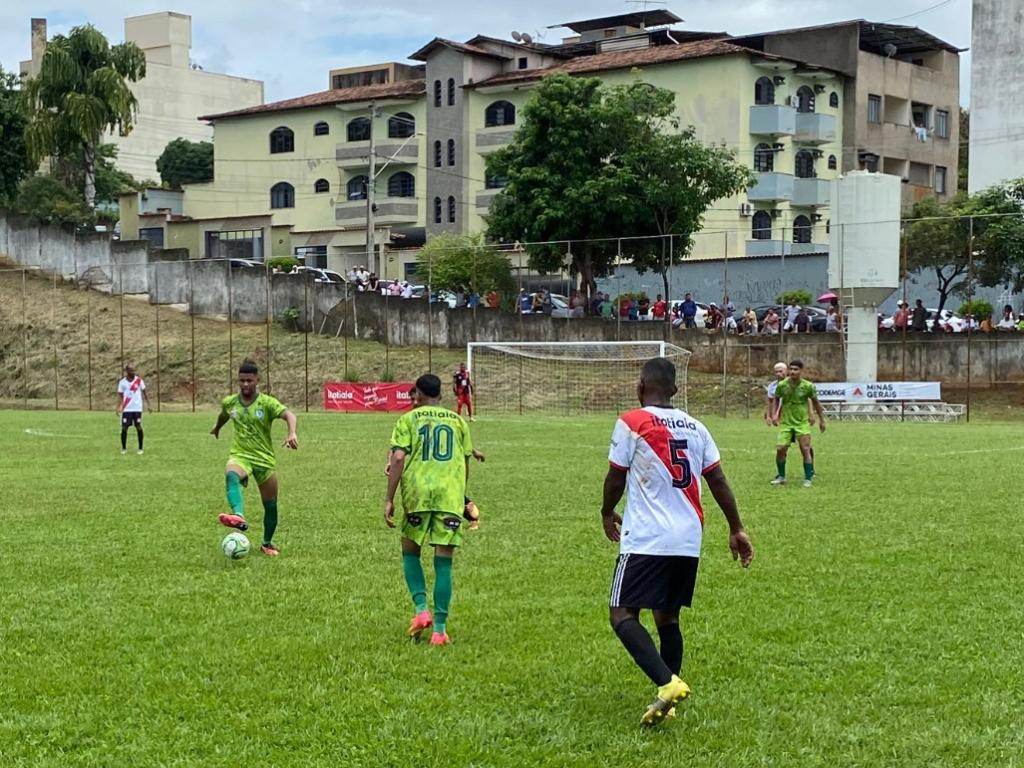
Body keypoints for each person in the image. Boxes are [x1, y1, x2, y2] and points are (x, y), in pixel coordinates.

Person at [602, 357, 754, 727]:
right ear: (674, 389)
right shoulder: (696, 427)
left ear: (640, 387)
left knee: (622, 613)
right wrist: (736, 528)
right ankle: (667, 702)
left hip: (647, 540)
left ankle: (667, 683)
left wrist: (606, 511)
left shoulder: (632, 421)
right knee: (667, 616)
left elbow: (616, 476)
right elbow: (717, 479)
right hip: (688, 539)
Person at [385, 374, 474, 646]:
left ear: (419, 395)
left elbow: (399, 457)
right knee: (443, 561)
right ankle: (439, 630)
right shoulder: (458, 422)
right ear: (441, 395)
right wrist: (462, 497)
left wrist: (389, 497)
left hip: (417, 495)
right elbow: (465, 461)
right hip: (449, 496)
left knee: (410, 552)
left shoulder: (409, 419)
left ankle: (422, 610)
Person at [211, 360, 298, 556]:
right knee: (231, 474)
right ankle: (238, 515)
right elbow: (224, 414)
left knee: (271, 506)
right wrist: (217, 427)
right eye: (241, 381)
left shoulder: (267, 403)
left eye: (249, 380)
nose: (245, 385)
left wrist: (292, 433)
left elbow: (289, 415)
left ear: (257, 380)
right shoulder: (230, 402)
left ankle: (267, 543)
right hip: (240, 454)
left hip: (264, 459)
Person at [385, 385, 484, 530]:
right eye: (411, 399)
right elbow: (397, 447)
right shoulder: (412, 419)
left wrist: (474, 451)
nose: (414, 402)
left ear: (420, 397)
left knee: (446, 494)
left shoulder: (415, 418)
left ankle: (473, 516)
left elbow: (456, 441)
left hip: (437, 469)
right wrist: (389, 461)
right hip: (428, 470)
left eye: (415, 398)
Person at [770, 360, 825, 488]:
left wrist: (821, 419)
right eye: (791, 369)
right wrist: (774, 414)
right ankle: (781, 476)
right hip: (786, 423)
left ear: (801, 371)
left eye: (796, 369)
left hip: (802, 423)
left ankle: (808, 478)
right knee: (780, 449)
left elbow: (815, 402)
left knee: (805, 449)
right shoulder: (782, 385)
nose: (793, 372)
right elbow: (776, 398)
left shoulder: (808, 386)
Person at [117, 363, 152, 455]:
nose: (133, 372)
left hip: (137, 408)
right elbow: (120, 396)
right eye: (131, 370)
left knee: (138, 427)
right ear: (127, 371)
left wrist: (148, 404)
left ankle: (140, 448)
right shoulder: (122, 382)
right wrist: (119, 406)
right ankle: (124, 448)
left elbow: (145, 393)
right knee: (124, 428)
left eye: (134, 370)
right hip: (127, 409)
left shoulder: (139, 381)